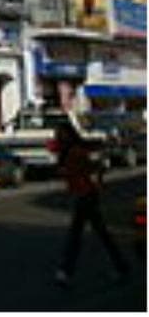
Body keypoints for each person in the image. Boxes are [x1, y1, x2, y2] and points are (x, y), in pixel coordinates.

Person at [54, 121, 129, 287]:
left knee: (76, 236)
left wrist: (96, 179)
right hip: (85, 194)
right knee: (100, 234)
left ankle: (65, 271)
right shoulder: (70, 151)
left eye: (60, 134)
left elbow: (94, 167)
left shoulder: (75, 152)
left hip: (85, 195)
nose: (58, 137)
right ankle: (121, 265)